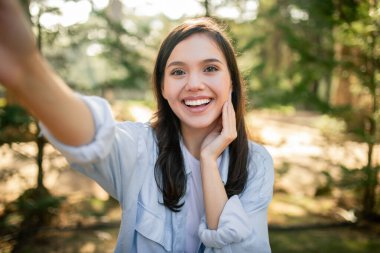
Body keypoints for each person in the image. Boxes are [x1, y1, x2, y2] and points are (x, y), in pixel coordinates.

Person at [0, 0, 274, 252]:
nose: (194, 84)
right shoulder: (140, 148)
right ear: (163, 88)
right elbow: (93, 138)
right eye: (178, 71)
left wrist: (209, 161)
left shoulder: (257, 164)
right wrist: (27, 71)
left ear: (232, 83)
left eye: (210, 68)